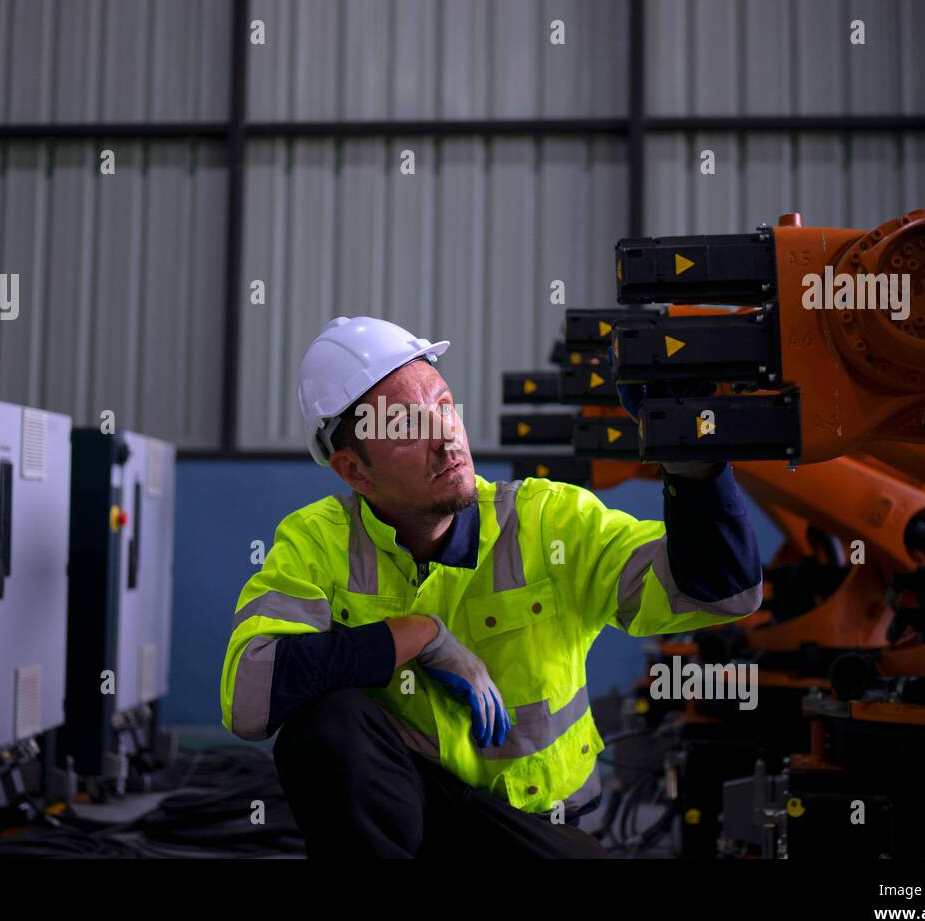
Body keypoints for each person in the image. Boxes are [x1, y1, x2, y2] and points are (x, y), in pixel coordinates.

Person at [220, 316, 762, 857]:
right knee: (323, 730)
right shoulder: (319, 541)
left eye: (444, 405)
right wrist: (419, 634)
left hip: (531, 830)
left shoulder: (548, 523)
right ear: (354, 471)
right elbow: (250, 700)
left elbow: (724, 593)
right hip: (412, 820)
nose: (445, 435)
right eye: (407, 425)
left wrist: (695, 468)